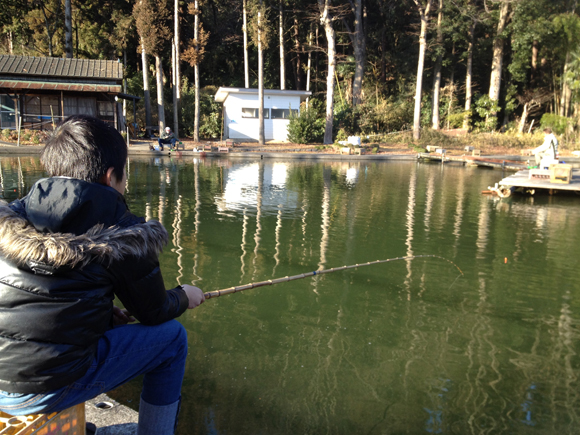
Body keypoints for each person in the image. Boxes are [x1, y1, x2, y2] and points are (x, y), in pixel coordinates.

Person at [0, 115, 204, 435]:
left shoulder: (13, 214)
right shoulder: (123, 231)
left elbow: (31, 297)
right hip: (40, 390)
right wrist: (184, 295)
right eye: (125, 175)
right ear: (111, 177)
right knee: (172, 340)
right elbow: (153, 312)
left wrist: (104, 313)